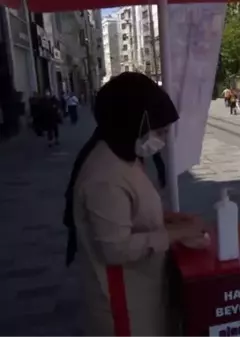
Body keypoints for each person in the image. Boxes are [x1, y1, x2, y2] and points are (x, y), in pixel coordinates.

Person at [62, 72, 208, 337]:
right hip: (122, 305)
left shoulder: (126, 156)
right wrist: (178, 233)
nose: (162, 139)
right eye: (160, 131)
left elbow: (133, 212)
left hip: (144, 291)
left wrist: (171, 220)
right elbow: (115, 248)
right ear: (132, 122)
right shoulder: (104, 177)